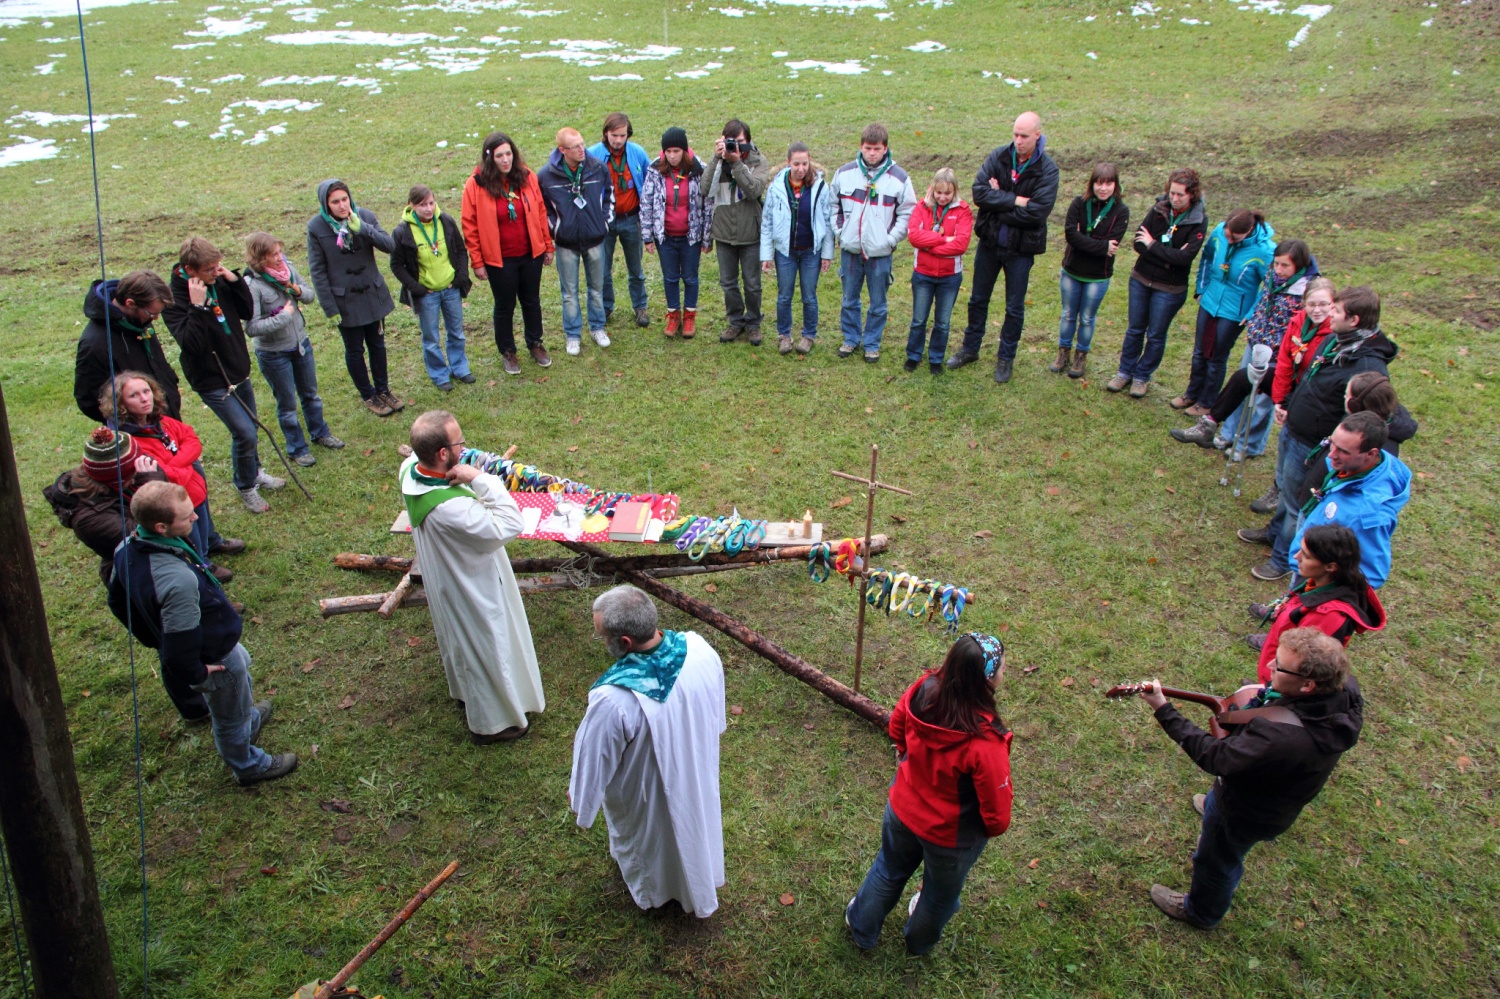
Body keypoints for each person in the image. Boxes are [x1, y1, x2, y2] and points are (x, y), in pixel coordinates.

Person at [1138, 628, 1362, 929]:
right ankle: (1213, 804)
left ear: (1308, 685)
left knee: (1215, 860)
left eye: (1279, 665)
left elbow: (1215, 756)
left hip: (1246, 810)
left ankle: (1202, 912)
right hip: (1275, 793)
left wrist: (1163, 709)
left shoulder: (1280, 738)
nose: (1269, 666)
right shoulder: (1345, 692)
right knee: (1219, 817)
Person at [107, 480, 297, 786]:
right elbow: (179, 643)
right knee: (228, 715)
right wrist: (197, 671)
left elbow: (116, 600)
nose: (195, 517)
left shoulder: (126, 547)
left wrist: (152, 636)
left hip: (219, 643)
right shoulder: (177, 581)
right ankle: (248, 764)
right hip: (213, 656)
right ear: (160, 526)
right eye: (186, 516)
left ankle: (248, 720)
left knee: (241, 680)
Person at [845, 633, 1013, 955]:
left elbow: (896, 724)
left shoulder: (925, 689)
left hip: (901, 811)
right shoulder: (986, 743)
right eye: (1003, 668)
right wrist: (981, 832)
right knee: (938, 896)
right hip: (950, 839)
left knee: (889, 868)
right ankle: (918, 943)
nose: (1005, 672)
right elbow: (997, 816)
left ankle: (860, 924)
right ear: (987, 680)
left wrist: (906, 753)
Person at [568, 585, 727, 917]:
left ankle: (657, 892)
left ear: (624, 642)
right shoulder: (698, 648)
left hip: (644, 794)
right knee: (691, 826)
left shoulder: (613, 700)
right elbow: (715, 712)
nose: (602, 642)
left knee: (653, 842)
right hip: (694, 767)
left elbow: (593, 756)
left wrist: (581, 798)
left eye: (603, 637)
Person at [44, 430, 213, 725]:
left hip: (159, 566)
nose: (141, 468)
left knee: (185, 625)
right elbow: (147, 534)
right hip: (137, 576)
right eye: (133, 468)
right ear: (115, 475)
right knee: (169, 641)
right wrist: (151, 487)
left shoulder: (115, 486)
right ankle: (195, 708)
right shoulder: (89, 518)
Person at [399, 411, 545, 743]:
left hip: (446, 572)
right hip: (470, 581)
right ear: (441, 454)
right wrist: (479, 478)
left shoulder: (409, 469)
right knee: (488, 646)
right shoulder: (451, 510)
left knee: (463, 642)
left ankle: (469, 694)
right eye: (459, 443)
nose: (463, 448)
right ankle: (495, 722)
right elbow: (510, 523)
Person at [1241, 286, 1397, 582]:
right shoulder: (1336, 342)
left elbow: (1355, 421)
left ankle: (1282, 560)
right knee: (1286, 491)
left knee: (1299, 504)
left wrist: (1327, 453)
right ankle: (1274, 534)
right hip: (1294, 430)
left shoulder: (1366, 365)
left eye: (1336, 311)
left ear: (1354, 320)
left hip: (1314, 446)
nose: (1329, 314)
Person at [163, 237, 284, 513]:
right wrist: (197, 307)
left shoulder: (218, 280)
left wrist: (233, 281)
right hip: (212, 379)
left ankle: (254, 472)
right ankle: (244, 485)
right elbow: (191, 344)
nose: (215, 272)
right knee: (243, 433)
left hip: (237, 369)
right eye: (209, 269)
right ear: (190, 270)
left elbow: (246, 311)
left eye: (218, 265)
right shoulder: (176, 299)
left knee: (250, 427)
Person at [1169, 243, 1316, 452]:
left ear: (1299, 266)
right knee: (1240, 388)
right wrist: (1252, 318)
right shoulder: (1272, 277)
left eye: (1285, 266)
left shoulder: (1307, 290)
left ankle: (1248, 445)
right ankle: (1227, 434)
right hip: (1257, 342)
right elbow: (1262, 298)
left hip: (1280, 353)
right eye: (1277, 264)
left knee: (1261, 404)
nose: (1279, 269)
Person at [948, 112, 1059, 384]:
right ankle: (970, 349)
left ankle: (1006, 358)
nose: (1018, 141)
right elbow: (979, 193)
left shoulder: (1048, 169)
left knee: (1014, 307)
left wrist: (998, 203)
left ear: (1037, 135)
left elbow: (1036, 213)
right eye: (1015, 134)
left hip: (1021, 250)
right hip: (989, 243)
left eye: (1024, 136)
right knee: (977, 299)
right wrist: (1017, 200)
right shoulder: (998, 156)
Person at [99, 372, 241, 576]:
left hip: (195, 493)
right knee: (192, 538)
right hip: (178, 502)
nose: (144, 398)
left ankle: (212, 543)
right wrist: (187, 464)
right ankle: (203, 565)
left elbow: (191, 438)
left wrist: (178, 463)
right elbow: (169, 478)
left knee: (203, 524)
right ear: (120, 403)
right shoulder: (129, 443)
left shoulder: (160, 421)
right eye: (134, 395)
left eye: (146, 391)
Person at [242, 232, 344, 467]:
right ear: (259, 258)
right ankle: (297, 448)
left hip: (301, 345)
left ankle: (320, 433)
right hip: (274, 354)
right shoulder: (253, 286)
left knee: (311, 395)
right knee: (287, 404)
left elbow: (309, 295)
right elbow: (252, 327)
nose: (279, 258)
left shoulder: (287, 269)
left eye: (280, 252)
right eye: (273, 255)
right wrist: (285, 316)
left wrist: (296, 290)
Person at [306, 178, 403, 417]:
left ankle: (383, 389)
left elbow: (389, 245)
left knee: (378, 345)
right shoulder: (316, 228)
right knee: (354, 350)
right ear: (325, 204)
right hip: (346, 301)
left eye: (344, 199)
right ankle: (368, 395)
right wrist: (330, 307)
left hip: (372, 295)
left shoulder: (364, 216)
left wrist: (362, 228)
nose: (341, 205)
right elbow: (317, 271)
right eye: (335, 201)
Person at [1107, 169, 1208, 398]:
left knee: (1156, 334)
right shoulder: (1159, 209)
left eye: (1180, 195)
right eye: (1171, 193)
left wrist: (1153, 246)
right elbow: (1138, 244)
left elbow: (1185, 258)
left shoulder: (1198, 220)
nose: (1174, 198)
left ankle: (1142, 376)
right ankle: (1124, 371)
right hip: (1141, 279)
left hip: (1170, 289)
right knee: (1134, 329)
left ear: (1191, 195)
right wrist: (1167, 254)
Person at [1282, 411, 1411, 590]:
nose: (1330, 455)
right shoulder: (1362, 467)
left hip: (1316, 582)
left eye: (1343, 451)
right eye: (1332, 444)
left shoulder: (1370, 514)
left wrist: (1323, 590)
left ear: (1371, 453)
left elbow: (1371, 576)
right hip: (1306, 564)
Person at [462, 131, 555, 373]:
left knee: (531, 300)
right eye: (499, 155)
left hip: (530, 253)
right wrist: (477, 261)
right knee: (504, 305)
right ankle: (508, 350)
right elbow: (470, 224)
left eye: (508, 154)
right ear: (489, 158)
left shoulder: (526, 176)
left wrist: (547, 244)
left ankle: (535, 343)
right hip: (499, 259)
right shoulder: (477, 184)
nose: (505, 160)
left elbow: (540, 211)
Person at [1172, 210, 1276, 415]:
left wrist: (1253, 312)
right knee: (1199, 351)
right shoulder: (1219, 232)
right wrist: (1201, 288)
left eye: (1234, 238)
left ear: (1248, 231)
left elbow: (1270, 287)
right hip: (1209, 301)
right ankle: (1191, 394)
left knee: (1216, 357)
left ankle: (1207, 402)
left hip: (1234, 312)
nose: (1229, 239)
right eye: (1227, 234)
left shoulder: (1265, 250)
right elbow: (1207, 258)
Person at [1247, 525, 1385, 676]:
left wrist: (1272, 688)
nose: (1296, 556)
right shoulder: (1320, 583)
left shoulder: (1328, 616)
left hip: (1282, 680)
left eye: (1306, 556)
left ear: (1330, 567)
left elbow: (1301, 668)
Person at [830, 123, 916, 362]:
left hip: (880, 253)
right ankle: (850, 339)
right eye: (868, 148)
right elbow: (832, 204)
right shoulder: (845, 173)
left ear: (885, 148)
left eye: (877, 149)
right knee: (849, 299)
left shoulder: (899, 178)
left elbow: (908, 212)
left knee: (878, 302)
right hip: (851, 249)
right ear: (861, 147)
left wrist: (889, 240)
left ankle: (872, 343)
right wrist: (841, 231)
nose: (872, 153)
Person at [391, 184, 474, 390]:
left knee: (456, 332)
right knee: (431, 337)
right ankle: (439, 374)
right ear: (411, 206)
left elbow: (461, 251)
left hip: (450, 288)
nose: (428, 209)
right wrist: (417, 288)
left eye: (431, 203)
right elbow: (396, 265)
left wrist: (460, 277)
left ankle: (459, 367)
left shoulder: (445, 221)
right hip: (427, 294)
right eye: (422, 205)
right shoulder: (403, 231)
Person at [539, 127, 613, 356]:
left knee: (597, 287)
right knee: (569, 292)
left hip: (594, 239)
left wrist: (603, 224)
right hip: (566, 243)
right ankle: (573, 335)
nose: (582, 149)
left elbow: (609, 196)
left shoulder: (597, 168)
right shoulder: (546, 176)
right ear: (562, 150)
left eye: (582, 143)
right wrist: (556, 229)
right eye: (575, 146)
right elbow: (543, 209)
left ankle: (598, 327)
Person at [75, 270, 182, 423]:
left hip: (167, 420)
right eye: (152, 314)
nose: (156, 318)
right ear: (130, 303)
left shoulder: (138, 320)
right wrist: (132, 421)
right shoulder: (95, 344)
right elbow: (88, 400)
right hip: (138, 430)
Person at [1054, 162, 1130, 380]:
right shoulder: (1079, 203)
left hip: (1098, 276)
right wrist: (1101, 245)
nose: (1103, 188)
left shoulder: (1121, 211)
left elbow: (1113, 243)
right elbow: (1070, 235)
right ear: (1092, 184)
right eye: (1099, 183)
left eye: (1108, 183)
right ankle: (1063, 352)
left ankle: (1081, 356)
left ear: (1115, 185)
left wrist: (1084, 240)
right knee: (1068, 314)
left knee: (1087, 318)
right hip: (1072, 270)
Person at [760, 141, 834, 355]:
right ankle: (784, 335)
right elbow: (767, 222)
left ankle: (809, 335)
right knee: (784, 295)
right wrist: (767, 254)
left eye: (805, 163)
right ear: (788, 163)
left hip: (811, 250)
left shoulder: (820, 187)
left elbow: (827, 221)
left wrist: (827, 253)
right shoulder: (776, 188)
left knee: (809, 296)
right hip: (785, 251)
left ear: (810, 161)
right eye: (796, 164)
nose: (801, 169)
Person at [700, 118, 770, 346]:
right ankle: (735, 321)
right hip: (723, 232)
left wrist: (737, 163)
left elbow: (754, 190)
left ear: (748, 141)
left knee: (752, 283)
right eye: (731, 142)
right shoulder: (719, 161)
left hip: (750, 232)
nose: (735, 147)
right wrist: (716, 158)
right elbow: (704, 189)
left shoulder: (759, 162)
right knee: (728, 283)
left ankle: (753, 323)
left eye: (740, 142)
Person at [641, 127, 713, 339]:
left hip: (691, 237)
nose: (672, 156)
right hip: (665, 237)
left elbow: (708, 205)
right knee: (670, 278)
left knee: (690, 278)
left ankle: (689, 316)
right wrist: (647, 236)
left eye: (677, 151)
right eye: (668, 151)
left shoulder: (699, 171)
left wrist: (707, 236)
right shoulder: (655, 170)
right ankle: (673, 315)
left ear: (684, 150)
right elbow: (647, 203)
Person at [903, 167, 973, 374]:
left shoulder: (963, 210)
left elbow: (960, 245)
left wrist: (928, 245)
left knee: (942, 322)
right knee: (918, 319)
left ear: (955, 192)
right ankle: (913, 355)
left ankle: (936, 358)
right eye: (939, 192)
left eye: (947, 193)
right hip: (923, 274)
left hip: (949, 277)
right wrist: (943, 239)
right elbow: (914, 237)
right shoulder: (921, 208)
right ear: (932, 189)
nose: (942, 197)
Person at [588, 113, 652, 328]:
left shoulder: (638, 153)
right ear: (606, 133)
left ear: (628, 134)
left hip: (631, 218)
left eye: (622, 135)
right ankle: (606, 308)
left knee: (636, 268)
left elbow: (649, 181)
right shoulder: (592, 155)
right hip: (603, 222)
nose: (617, 140)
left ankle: (640, 306)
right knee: (602, 269)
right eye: (614, 135)